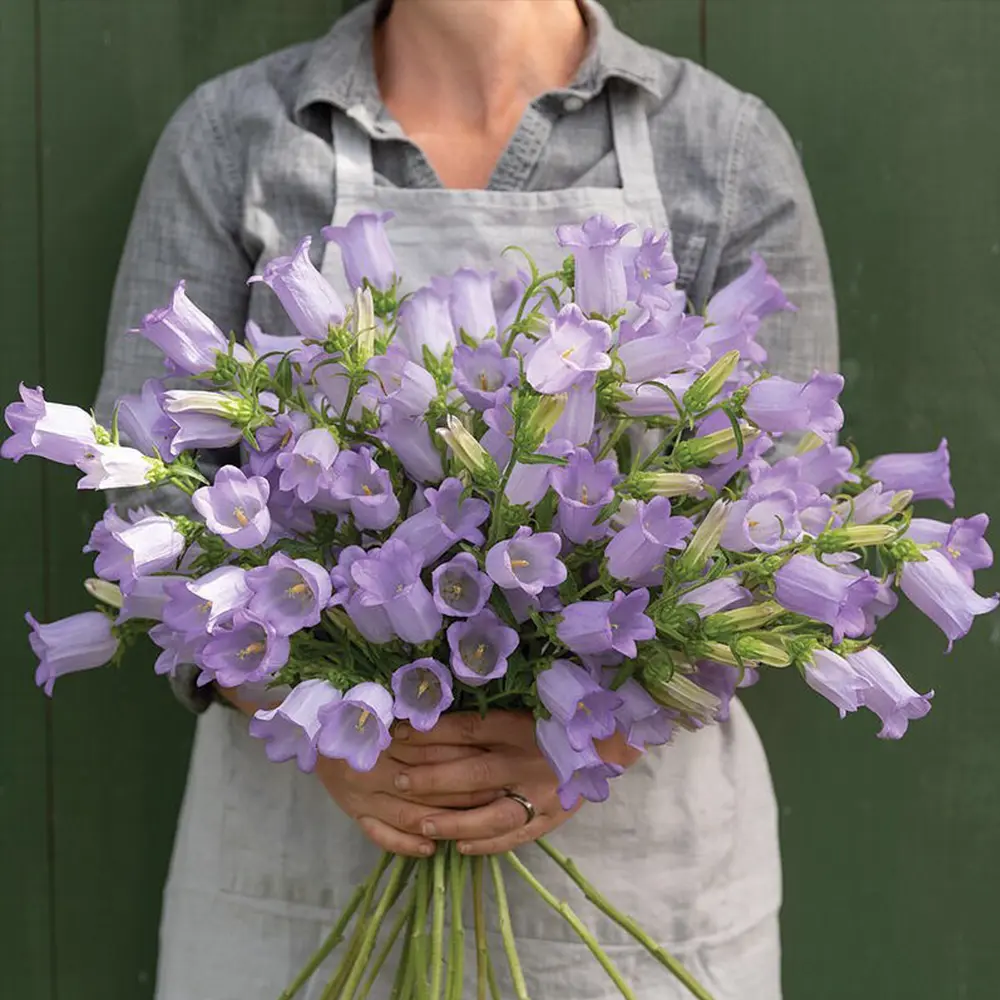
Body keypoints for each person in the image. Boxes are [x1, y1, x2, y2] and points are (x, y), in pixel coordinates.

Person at [96, 1, 838, 997]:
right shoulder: (235, 135)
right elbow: (146, 506)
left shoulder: (722, 145)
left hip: (632, 875)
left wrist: (587, 736)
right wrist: (309, 712)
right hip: (306, 847)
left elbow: (792, 523)